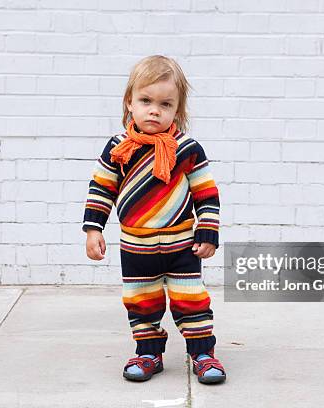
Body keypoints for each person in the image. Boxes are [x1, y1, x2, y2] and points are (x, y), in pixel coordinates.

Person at [82, 55, 226, 384]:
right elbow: (101, 189)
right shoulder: (118, 150)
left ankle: (202, 352)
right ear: (129, 103)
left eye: (165, 104)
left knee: (191, 299)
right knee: (141, 301)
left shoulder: (187, 149)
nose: (154, 110)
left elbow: (207, 193)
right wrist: (93, 228)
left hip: (182, 246)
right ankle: (148, 352)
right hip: (137, 247)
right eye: (145, 101)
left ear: (178, 111)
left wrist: (207, 230)